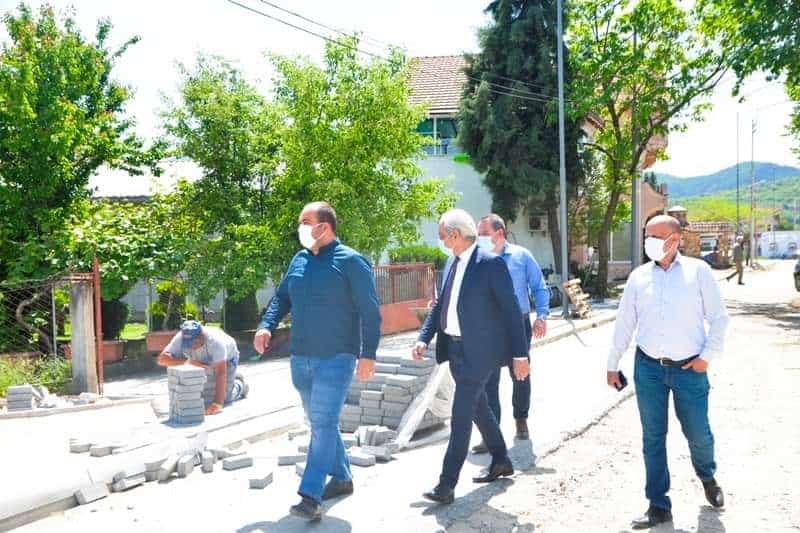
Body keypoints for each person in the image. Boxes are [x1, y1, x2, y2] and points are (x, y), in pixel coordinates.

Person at [253, 201, 381, 521]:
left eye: (305, 222)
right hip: (301, 358)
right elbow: (282, 297)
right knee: (319, 422)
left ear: (324, 227)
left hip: (337, 358)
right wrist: (266, 325)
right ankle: (343, 477)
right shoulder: (298, 260)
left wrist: (368, 354)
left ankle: (310, 496)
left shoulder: (351, 261)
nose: (300, 228)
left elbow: (370, 312)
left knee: (322, 422)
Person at [607, 215, 729, 529]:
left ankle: (707, 477)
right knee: (653, 437)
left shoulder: (698, 272)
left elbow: (719, 318)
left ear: (674, 239)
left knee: (698, 433)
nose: (647, 241)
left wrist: (706, 357)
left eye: (655, 236)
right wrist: (612, 363)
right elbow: (624, 323)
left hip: (689, 369)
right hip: (648, 368)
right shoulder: (638, 277)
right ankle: (659, 505)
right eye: (646, 235)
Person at [413, 209, 529, 505]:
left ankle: (446, 484)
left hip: (480, 352)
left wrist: (520, 354)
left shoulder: (490, 264)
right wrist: (423, 338)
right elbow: (440, 306)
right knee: (479, 407)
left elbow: (512, 312)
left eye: (442, 235)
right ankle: (501, 459)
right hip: (454, 350)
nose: (440, 241)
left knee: (461, 413)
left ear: (454, 235)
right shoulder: (451, 263)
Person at [470, 214, 549, 453]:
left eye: (484, 233)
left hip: (517, 325)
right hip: (488, 328)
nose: (480, 238)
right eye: (478, 234)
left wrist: (542, 316)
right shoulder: (476, 260)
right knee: (488, 380)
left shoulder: (521, 256)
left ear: (500, 233)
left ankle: (521, 419)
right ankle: (491, 433)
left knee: (520, 374)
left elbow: (539, 287)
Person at [158, 320, 247, 415]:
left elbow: (221, 373)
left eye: (193, 343)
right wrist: (188, 362)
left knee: (225, 398)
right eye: (187, 343)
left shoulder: (216, 343)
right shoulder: (181, 337)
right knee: (205, 396)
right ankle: (231, 380)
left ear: (201, 337)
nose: (190, 347)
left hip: (228, 359)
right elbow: (162, 360)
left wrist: (217, 404)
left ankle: (239, 385)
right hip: (206, 360)